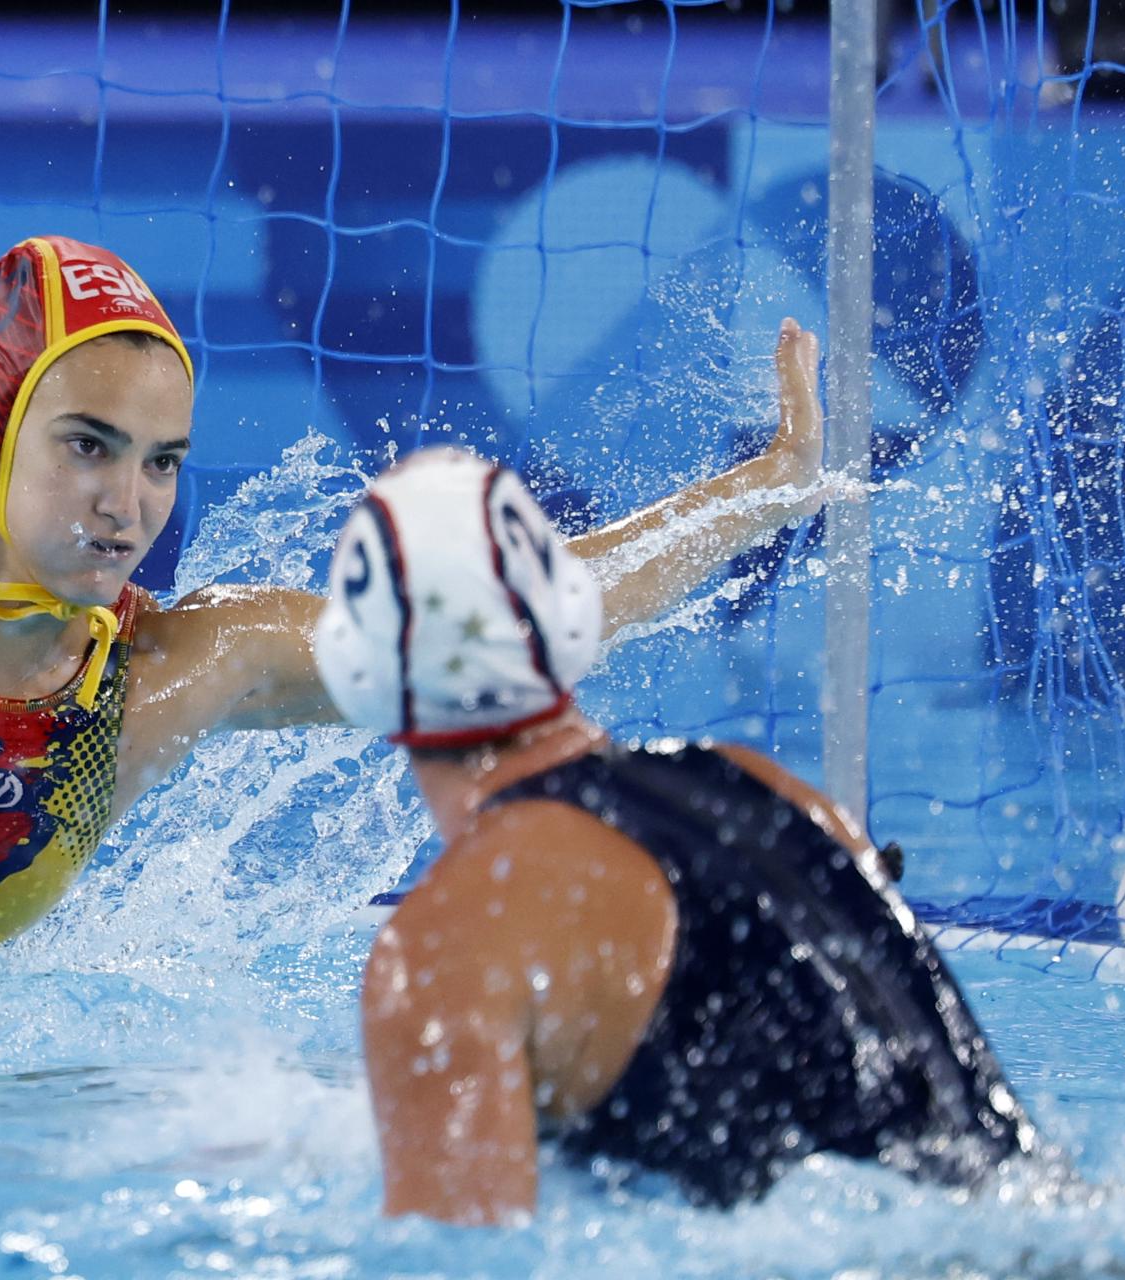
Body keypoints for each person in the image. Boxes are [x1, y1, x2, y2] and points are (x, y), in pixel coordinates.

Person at [0, 235, 826, 956]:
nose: (128, 505)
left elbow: (525, 627)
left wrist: (763, 491)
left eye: (160, 462)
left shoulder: (176, 670)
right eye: (86, 445)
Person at [323, 448, 1037, 1226]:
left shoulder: (451, 945)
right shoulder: (781, 795)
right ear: (571, 620)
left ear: (360, 677)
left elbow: (454, 1259)